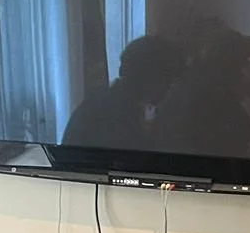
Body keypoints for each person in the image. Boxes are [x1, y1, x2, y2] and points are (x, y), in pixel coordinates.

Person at [59, 34, 187, 150]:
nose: (170, 87)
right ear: (147, 76)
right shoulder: (107, 116)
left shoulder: (108, 102)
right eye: (168, 79)